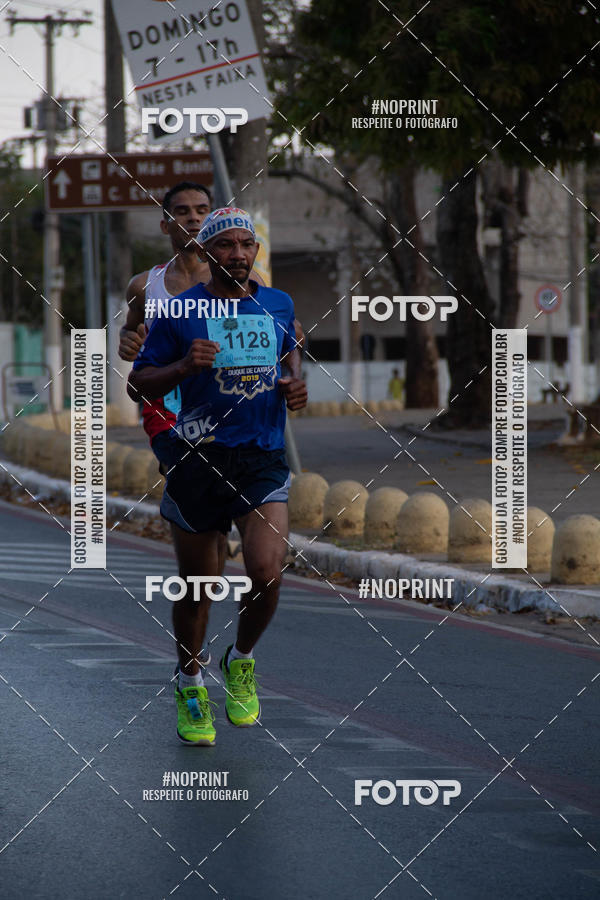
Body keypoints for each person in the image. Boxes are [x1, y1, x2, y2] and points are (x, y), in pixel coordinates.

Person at [128, 207, 307, 746]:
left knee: (267, 569)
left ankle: (241, 660)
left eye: (245, 245)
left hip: (261, 457)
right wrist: (183, 368)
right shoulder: (181, 312)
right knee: (200, 587)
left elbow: (290, 358)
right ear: (206, 254)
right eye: (225, 245)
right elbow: (140, 384)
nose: (237, 254)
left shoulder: (277, 303)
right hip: (197, 459)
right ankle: (189, 681)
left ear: (257, 251)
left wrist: (296, 387)